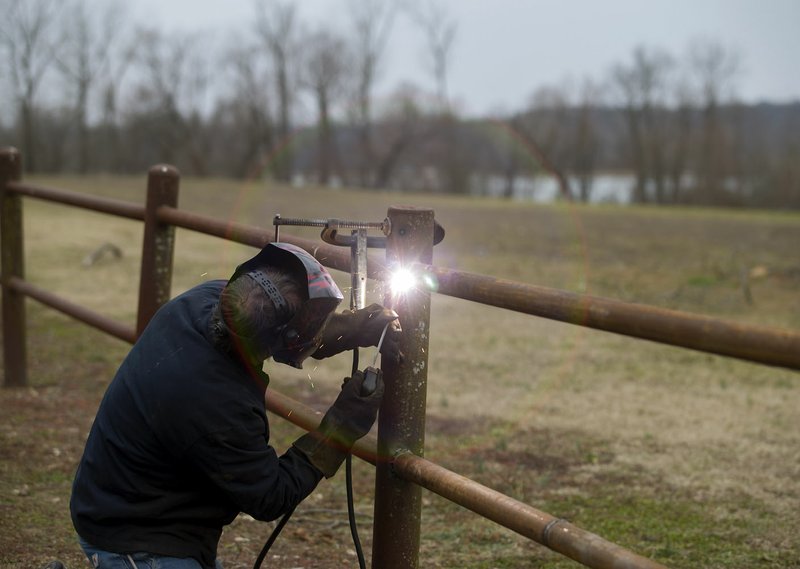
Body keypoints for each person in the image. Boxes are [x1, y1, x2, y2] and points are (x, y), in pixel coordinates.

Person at [69, 242, 401, 569]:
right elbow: (270, 494)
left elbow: (276, 328)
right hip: (136, 536)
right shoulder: (218, 404)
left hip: (129, 501)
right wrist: (341, 425)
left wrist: (348, 327)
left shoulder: (213, 299)